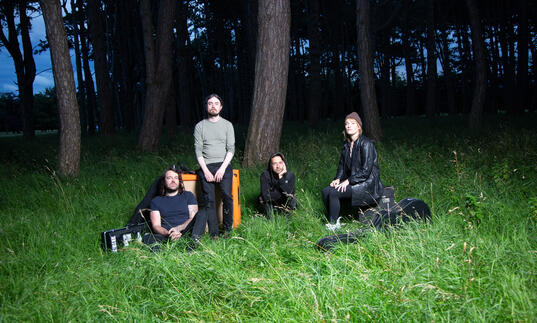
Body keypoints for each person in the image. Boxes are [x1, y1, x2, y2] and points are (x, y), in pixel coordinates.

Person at [321, 112, 384, 225]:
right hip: (355, 180)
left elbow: (366, 172)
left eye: (352, 123)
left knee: (334, 193)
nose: (349, 125)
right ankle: (337, 218)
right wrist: (337, 179)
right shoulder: (346, 145)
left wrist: (348, 181)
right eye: (346, 123)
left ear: (358, 126)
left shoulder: (366, 144)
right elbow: (342, 166)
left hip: (367, 183)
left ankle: (334, 225)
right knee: (326, 191)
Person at [194, 94, 235, 236]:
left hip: (224, 164)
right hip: (206, 165)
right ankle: (214, 234)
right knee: (209, 200)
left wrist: (223, 168)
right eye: (210, 103)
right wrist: (205, 171)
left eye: (216, 103)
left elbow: (231, 149)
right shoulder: (200, 126)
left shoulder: (227, 125)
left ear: (221, 107)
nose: (213, 106)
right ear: (206, 107)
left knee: (227, 196)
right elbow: (198, 151)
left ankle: (228, 230)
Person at [147, 166, 207, 245]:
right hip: (168, 235)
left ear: (179, 181)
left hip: (185, 232)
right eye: (169, 178)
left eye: (176, 178)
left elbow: (192, 218)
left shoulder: (188, 196)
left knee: (202, 213)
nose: (173, 181)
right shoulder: (156, 201)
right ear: (164, 181)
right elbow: (156, 226)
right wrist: (169, 233)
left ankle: (193, 244)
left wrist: (178, 229)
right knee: (148, 238)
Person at [259, 152, 297, 218]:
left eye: (280, 163)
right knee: (262, 199)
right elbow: (265, 196)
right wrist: (282, 194)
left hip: (286, 205)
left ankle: (288, 218)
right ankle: (270, 219)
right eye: (275, 163)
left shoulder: (290, 175)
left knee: (293, 198)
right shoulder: (265, 175)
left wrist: (281, 177)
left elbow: (289, 194)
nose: (278, 166)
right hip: (272, 205)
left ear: (284, 164)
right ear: (271, 165)